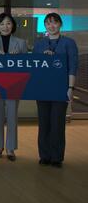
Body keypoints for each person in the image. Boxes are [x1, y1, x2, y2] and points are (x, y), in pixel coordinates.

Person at [33, 13, 78, 168]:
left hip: (61, 89)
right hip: (43, 88)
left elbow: (73, 66)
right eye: (48, 23)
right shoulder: (39, 44)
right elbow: (34, 67)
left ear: (60, 24)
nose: (52, 26)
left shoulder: (69, 43)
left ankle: (56, 157)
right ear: (45, 26)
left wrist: (70, 88)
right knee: (43, 123)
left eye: (55, 23)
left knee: (58, 123)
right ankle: (44, 155)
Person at [0, 13, 27, 162]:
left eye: (8, 23)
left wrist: (17, 57)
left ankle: (11, 148)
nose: (5, 27)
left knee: (12, 116)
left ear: (12, 26)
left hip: (14, 84)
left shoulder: (21, 43)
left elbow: (26, 64)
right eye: (2, 24)